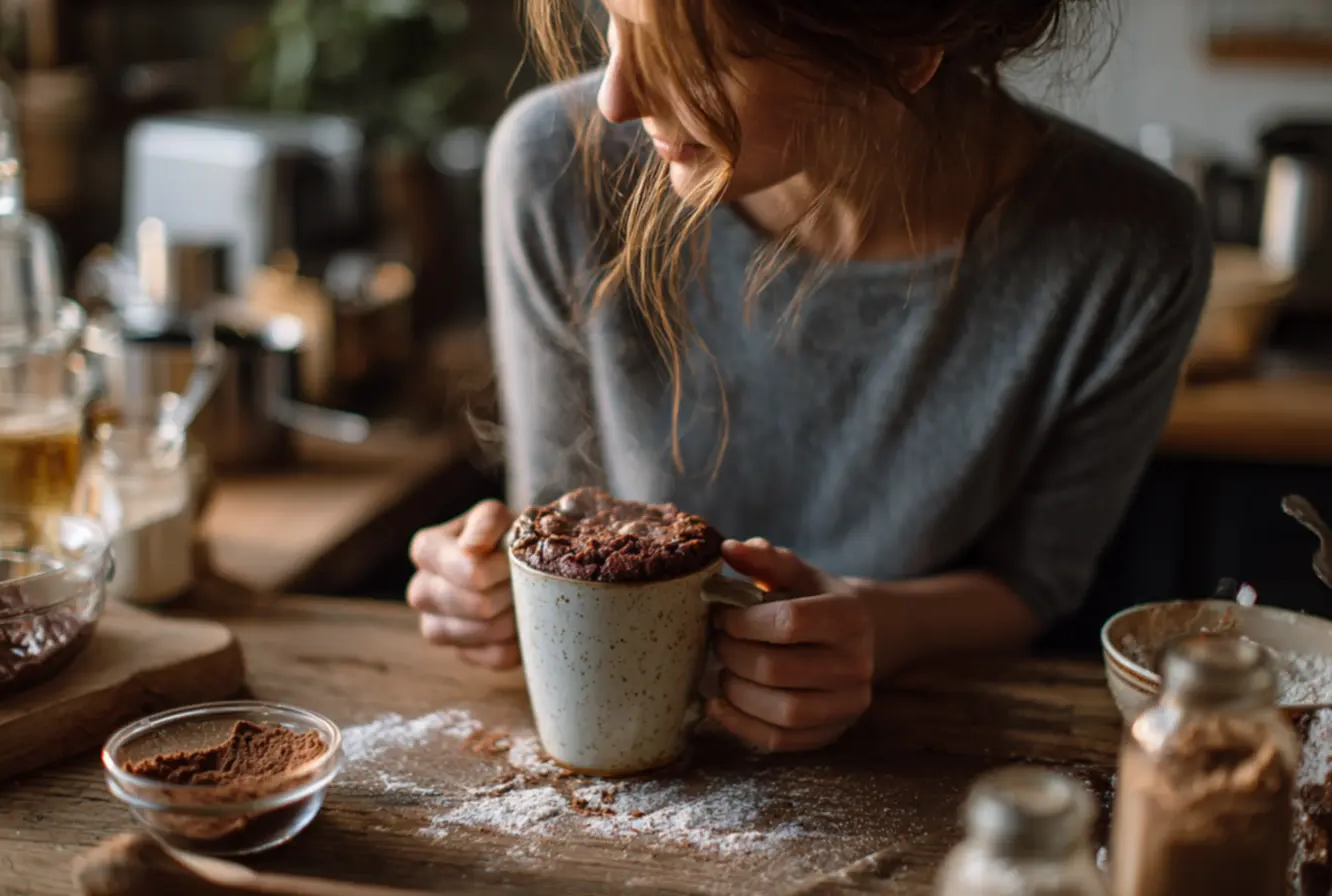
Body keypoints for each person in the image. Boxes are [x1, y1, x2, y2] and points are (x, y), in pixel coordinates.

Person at [407, 0, 1212, 753]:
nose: (618, 97)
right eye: (613, 18)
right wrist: (485, 586)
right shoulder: (557, 162)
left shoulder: (1128, 249)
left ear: (901, 52)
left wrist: (880, 629)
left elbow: (1032, 582)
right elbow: (551, 519)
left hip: (927, 761)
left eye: (698, 58)